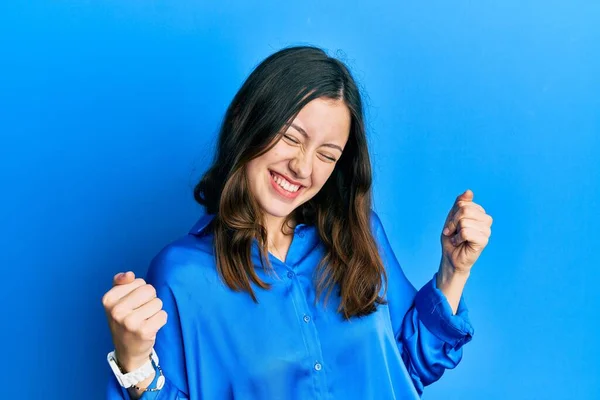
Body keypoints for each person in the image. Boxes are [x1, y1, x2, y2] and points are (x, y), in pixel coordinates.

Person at [102, 45, 493, 400]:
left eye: (327, 154)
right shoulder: (182, 274)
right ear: (246, 121)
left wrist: (453, 272)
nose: (302, 167)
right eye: (291, 137)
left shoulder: (360, 236)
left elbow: (406, 369)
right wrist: (134, 361)